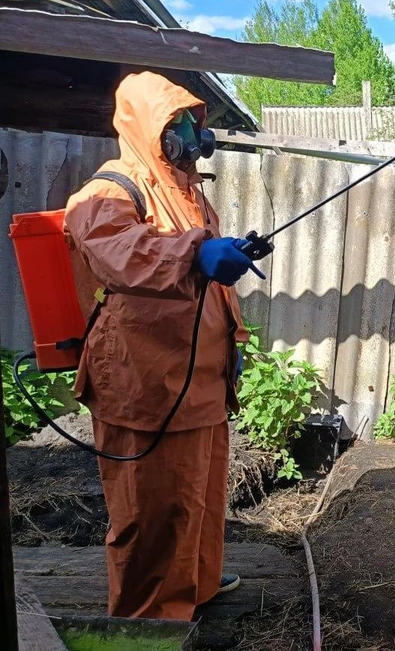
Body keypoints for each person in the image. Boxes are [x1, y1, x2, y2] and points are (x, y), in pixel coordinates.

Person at [63, 71, 263, 620]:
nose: (191, 138)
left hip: (200, 383)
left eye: (193, 124)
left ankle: (195, 586)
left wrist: (233, 338)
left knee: (195, 500)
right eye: (176, 124)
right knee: (150, 513)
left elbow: (206, 280)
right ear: (147, 129)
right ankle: (147, 622)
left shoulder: (191, 195)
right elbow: (119, 252)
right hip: (146, 387)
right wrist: (195, 254)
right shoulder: (108, 190)